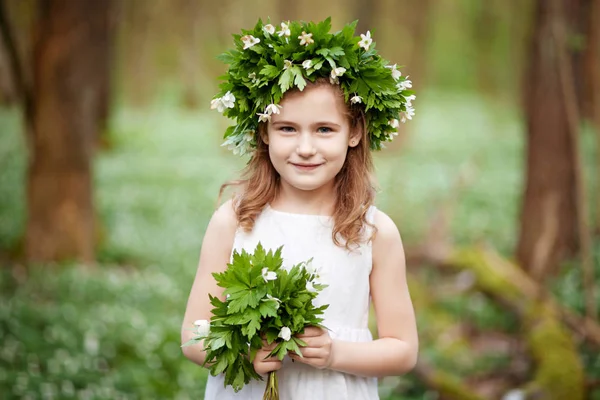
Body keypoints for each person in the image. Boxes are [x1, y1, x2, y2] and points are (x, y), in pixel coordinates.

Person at [181, 18, 418, 400]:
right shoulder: (235, 220)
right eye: (287, 129)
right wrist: (243, 352)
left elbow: (403, 350)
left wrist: (335, 353)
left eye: (324, 129)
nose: (305, 147)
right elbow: (194, 336)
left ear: (354, 133)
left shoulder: (373, 231)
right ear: (264, 132)